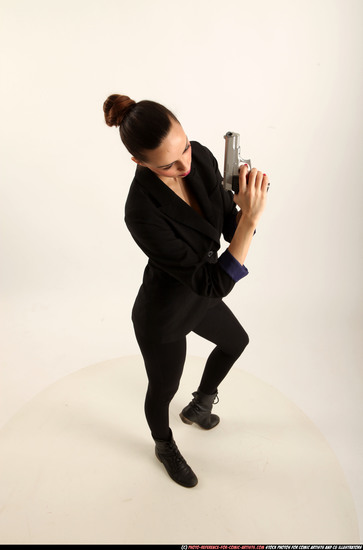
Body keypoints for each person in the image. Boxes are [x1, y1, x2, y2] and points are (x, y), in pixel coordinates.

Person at [103, 94, 269, 488]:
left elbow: (228, 231)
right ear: (139, 163)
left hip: (202, 293)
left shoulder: (204, 158)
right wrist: (250, 222)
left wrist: (244, 206)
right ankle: (164, 445)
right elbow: (216, 280)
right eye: (168, 165)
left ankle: (199, 405)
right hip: (164, 314)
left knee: (236, 342)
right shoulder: (140, 211)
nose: (185, 166)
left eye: (185, 149)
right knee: (163, 389)